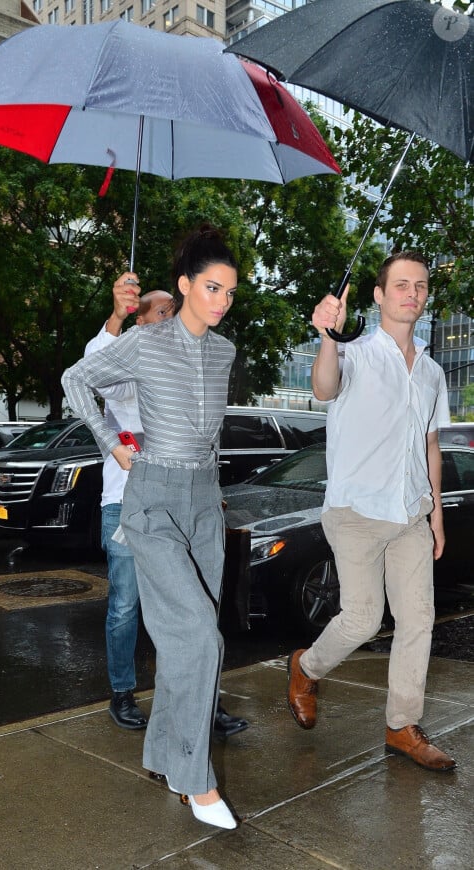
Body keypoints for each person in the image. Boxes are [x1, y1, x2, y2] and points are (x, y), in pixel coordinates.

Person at [62, 226, 240, 829]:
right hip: (152, 498)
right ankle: (196, 780)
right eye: (211, 287)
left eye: (230, 292)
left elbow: (207, 430)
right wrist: (113, 443)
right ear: (186, 285)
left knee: (185, 642)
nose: (221, 300)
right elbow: (75, 379)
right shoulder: (146, 342)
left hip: (202, 502)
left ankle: (163, 754)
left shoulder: (225, 352)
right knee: (200, 639)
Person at [287, 251, 456, 772]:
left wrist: (437, 515)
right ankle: (305, 667)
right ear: (379, 296)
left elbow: (430, 446)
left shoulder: (430, 371)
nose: (413, 293)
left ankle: (401, 725)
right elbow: (323, 388)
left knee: (418, 619)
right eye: (401, 285)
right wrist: (325, 336)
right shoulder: (354, 351)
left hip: (410, 514)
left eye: (421, 286)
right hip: (357, 511)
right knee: (361, 618)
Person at [86, 278, 249, 739]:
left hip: (186, 503)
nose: (171, 316)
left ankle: (201, 703)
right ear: (141, 322)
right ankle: (122, 693)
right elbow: (90, 367)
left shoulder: (195, 361)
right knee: (126, 606)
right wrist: (117, 317)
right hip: (127, 505)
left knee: (193, 608)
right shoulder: (131, 358)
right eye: (161, 311)